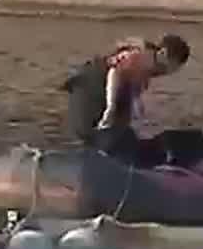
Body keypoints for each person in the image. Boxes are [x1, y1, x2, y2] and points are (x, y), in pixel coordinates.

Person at [61, 34, 193, 165]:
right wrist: (111, 107)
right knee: (98, 131)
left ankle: (109, 162)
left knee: (120, 132)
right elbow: (115, 73)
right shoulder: (142, 58)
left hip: (99, 85)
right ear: (163, 54)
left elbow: (132, 96)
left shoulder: (149, 63)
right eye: (174, 65)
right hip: (91, 87)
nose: (173, 71)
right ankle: (97, 167)